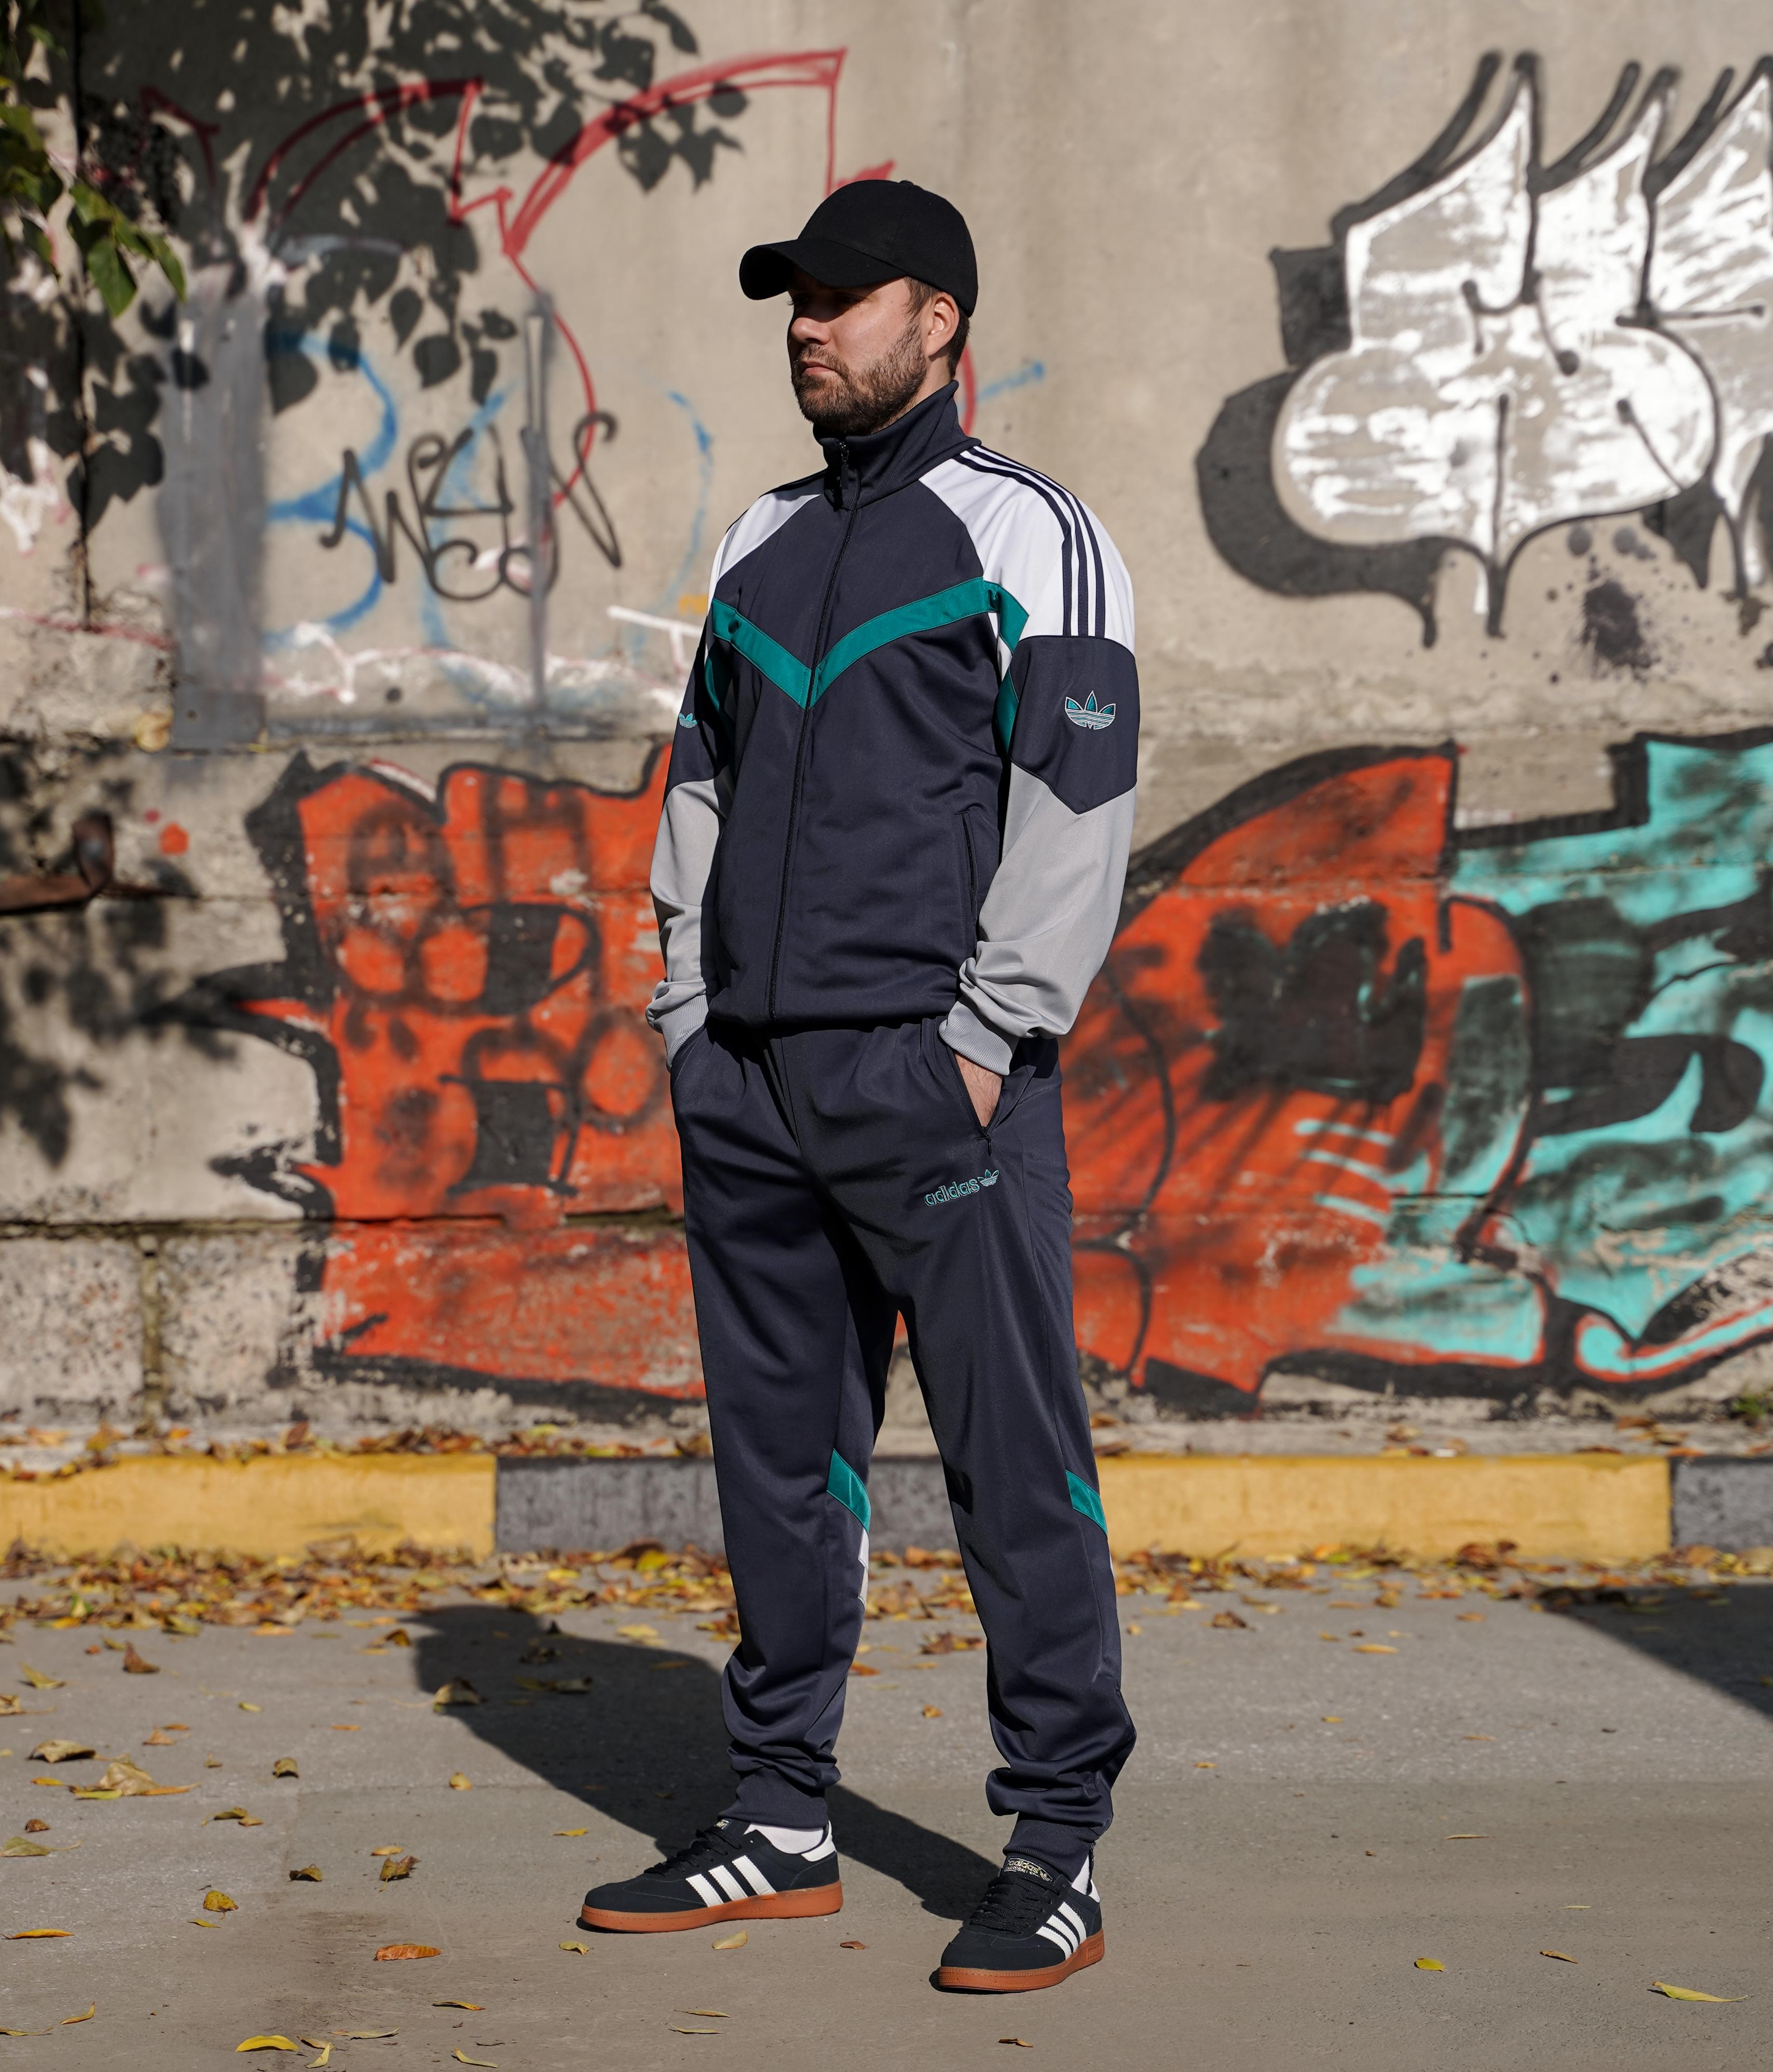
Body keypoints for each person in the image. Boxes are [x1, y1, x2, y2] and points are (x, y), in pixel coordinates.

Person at [575, 179, 1139, 1994]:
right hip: (750, 1083)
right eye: (791, 301)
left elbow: (1076, 806)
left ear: (940, 322)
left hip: (935, 1079)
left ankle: (1053, 1848)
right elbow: (702, 784)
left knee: (1012, 1464)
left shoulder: (1035, 535)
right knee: (780, 1466)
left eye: (841, 297)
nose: (807, 326)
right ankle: (778, 1820)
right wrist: (689, 1015)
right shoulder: (762, 538)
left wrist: (985, 1042)